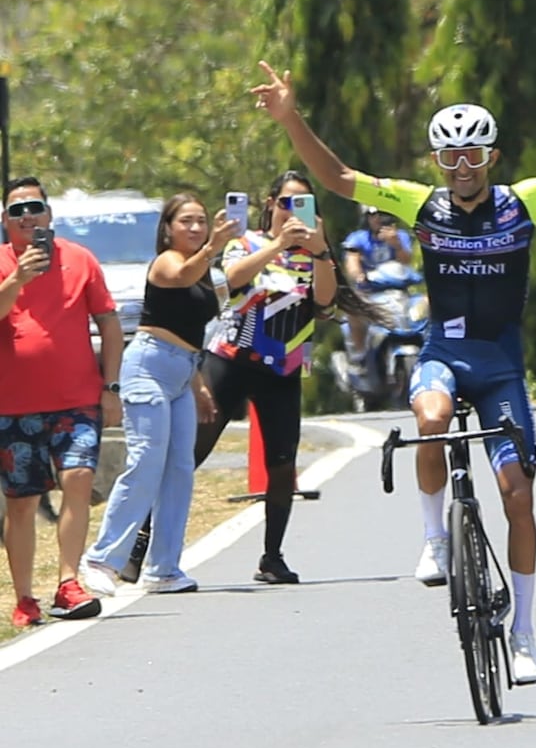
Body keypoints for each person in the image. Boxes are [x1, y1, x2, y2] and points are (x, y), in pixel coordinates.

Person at [252, 48, 536, 684]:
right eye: (449, 156)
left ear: (492, 158)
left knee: (518, 497)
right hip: (443, 355)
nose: (461, 167)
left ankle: (527, 632)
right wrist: (291, 120)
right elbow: (341, 177)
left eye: (473, 155)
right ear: (436, 162)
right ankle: (434, 537)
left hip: (502, 368)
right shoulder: (417, 204)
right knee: (429, 417)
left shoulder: (524, 202)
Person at [81, 195, 239, 596]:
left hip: (182, 373)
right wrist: (214, 246)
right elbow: (182, 276)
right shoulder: (168, 262)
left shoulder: (205, 271)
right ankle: (102, 558)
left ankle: (164, 567)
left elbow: (193, 333)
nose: (195, 228)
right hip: (147, 369)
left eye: (201, 221)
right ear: (168, 228)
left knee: (179, 470)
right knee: (147, 462)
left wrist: (199, 384)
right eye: (186, 221)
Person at [194, 171, 338, 584]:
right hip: (231, 361)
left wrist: (322, 251)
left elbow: (325, 300)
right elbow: (235, 278)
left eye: (303, 203)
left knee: (282, 463)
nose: (293, 211)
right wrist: (277, 245)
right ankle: (144, 539)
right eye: (286, 202)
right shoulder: (246, 242)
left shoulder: (315, 254)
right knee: (191, 453)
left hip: (283, 370)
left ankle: (272, 556)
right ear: (271, 204)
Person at [0, 176, 123, 626]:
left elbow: (109, 325)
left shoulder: (81, 260)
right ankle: (25, 597)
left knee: (78, 476)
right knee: (21, 503)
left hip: (76, 401)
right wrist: (18, 277)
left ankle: (69, 582)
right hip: (13, 406)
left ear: (49, 215)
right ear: (5, 221)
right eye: (16, 211)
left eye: (34, 207)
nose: (26, 216)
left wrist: (111, 388)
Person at [342, 206, 415, 364]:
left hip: (397, 291)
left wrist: (396, 245)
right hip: (368, 291)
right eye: (374, 215)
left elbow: (407, 261)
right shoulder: (358, 238)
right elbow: (352, 261)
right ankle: (359, 354)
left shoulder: (400, 236)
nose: (378, 219)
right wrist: (358, 276)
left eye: (383, 214)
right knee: (353, 311)